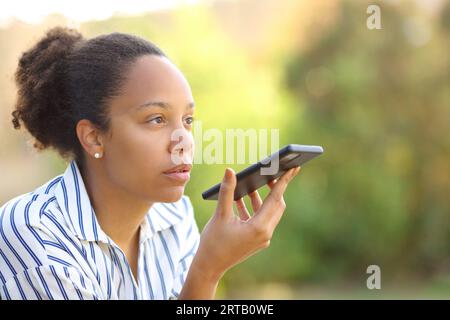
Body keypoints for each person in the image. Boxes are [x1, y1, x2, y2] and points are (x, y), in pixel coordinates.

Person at [0, 27, 301, 300]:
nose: (183, 141)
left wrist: (208, 268)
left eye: (187, 120)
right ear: (93, 137)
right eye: (156, 119)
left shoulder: (174, 217)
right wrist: (207, 270)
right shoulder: (32, 233)